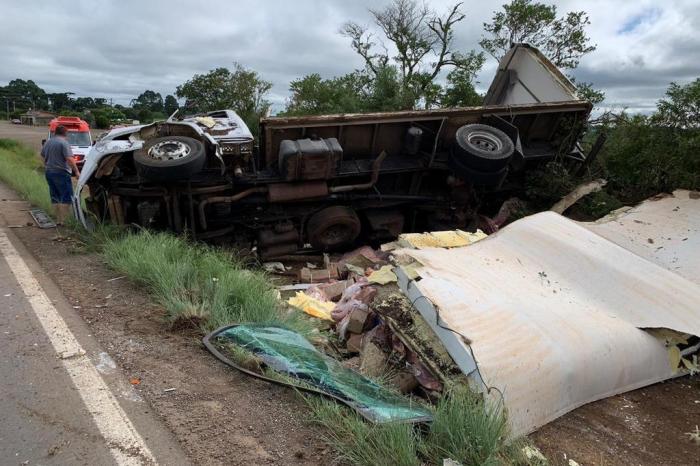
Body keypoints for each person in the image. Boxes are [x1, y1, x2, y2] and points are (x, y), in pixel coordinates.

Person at [40, 125, 80, 225]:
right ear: (65, 133)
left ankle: (57, 219)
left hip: (49, 172)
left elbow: (42, 155)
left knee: (55, 196)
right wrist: (76, 171)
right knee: (66, 197)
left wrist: (46, 165)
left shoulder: (48, 142)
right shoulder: (64, 143)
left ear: (55, 132)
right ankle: (64, 221)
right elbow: (70, 159)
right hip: (61, 173)